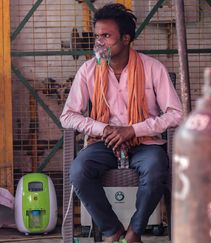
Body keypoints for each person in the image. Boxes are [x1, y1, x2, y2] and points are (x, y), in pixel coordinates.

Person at [60, 3, 182, 243]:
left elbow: (175, 114)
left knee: (156, 168)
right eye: (97, 36)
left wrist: (133, 130)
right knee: (79, 170)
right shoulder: (88, 71)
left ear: (126, 39)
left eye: (106, 36)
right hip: (104, 142)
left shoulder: (153, 68)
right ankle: (111, 231)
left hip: (144, 143)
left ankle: (135, 231)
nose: (100, 43)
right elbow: (68, 115)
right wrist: (103, 128)